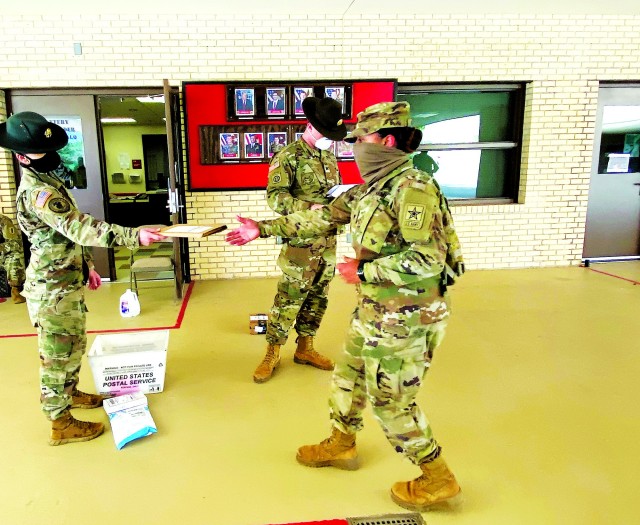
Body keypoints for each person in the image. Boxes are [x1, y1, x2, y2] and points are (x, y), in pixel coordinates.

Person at [226, 101, 465, 511]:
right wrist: (261, 229)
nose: (355, 148)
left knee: (390, 401)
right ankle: (341, 443)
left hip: (409, 314)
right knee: (348, 378)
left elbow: (431, 260)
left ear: (387, 141)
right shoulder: (369, 188)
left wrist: (363, 271)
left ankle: (437, 478)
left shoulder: (413, 188)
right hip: (373, 310)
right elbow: (319, 219)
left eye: (362, 140)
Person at [0, 111, 167, 446]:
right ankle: (60, 424)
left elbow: (66, 236)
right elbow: (79, 227)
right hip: (51, 289)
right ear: (21, 157)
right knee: (56, 357)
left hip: (66, 279)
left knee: (72, 346)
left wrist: (88, 265)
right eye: (41, 152)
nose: (51, 157)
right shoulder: (38, 193)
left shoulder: (50, 183)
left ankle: (71, 393)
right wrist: (135, 236)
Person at [251, 96, 347, 384]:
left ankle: (306, 348)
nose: (329, 140)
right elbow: (275, 198)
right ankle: (272, 353)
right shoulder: (287, 156)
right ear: (310, 126)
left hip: (327, 241)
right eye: (325, 134)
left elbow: (330, 192)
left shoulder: (328, 157)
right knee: (289, 299)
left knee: (318, 297)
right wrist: (308, 208)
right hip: (300, 242)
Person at [0, 213, 26, 304]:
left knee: (17, 256)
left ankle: (16, 291)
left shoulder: (3, 221)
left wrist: (1, 247)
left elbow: (15, 244)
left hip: (3, 254)